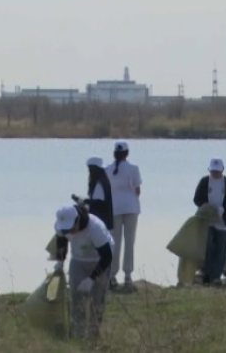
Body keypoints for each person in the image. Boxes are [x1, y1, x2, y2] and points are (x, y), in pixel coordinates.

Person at [53, 204, 114, 341]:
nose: (70, 232)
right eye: (65, 229)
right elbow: (61, 242)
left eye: (71, 228)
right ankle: (77, 337)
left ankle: (93, 338)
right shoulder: (62, 227)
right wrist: (60, 261)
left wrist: (92, 279)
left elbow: (107, 256)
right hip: (78, 261)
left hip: (99, 261)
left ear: (78, 219)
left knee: (96, 302)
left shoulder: (95, 228)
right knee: (76, 299)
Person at [193, 158, 226, 285]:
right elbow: (197, 199)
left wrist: (224, 209)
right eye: (213, 171)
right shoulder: (204, 181)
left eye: (217, 171)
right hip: (207, 221)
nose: (215, 173)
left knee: (221, 249)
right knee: (207, 248)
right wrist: (207, 207)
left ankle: (216, 276)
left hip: (223, 222)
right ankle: (206, 274)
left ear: (222, 170)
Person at [105, 141, 142, 292]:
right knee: (129, 242)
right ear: (127, 153)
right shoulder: (133, 169)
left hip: (114, 207)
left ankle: (112, 275)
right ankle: (127, 276)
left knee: (115, 242)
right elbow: (137, 189)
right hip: (131, 206)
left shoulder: (107, 169)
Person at [72, 157, 114, 230]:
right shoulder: (103, 181)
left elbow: (99, 203)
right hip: (104, 222)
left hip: (100, 222)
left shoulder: (99, 184)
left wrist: (84, 201)